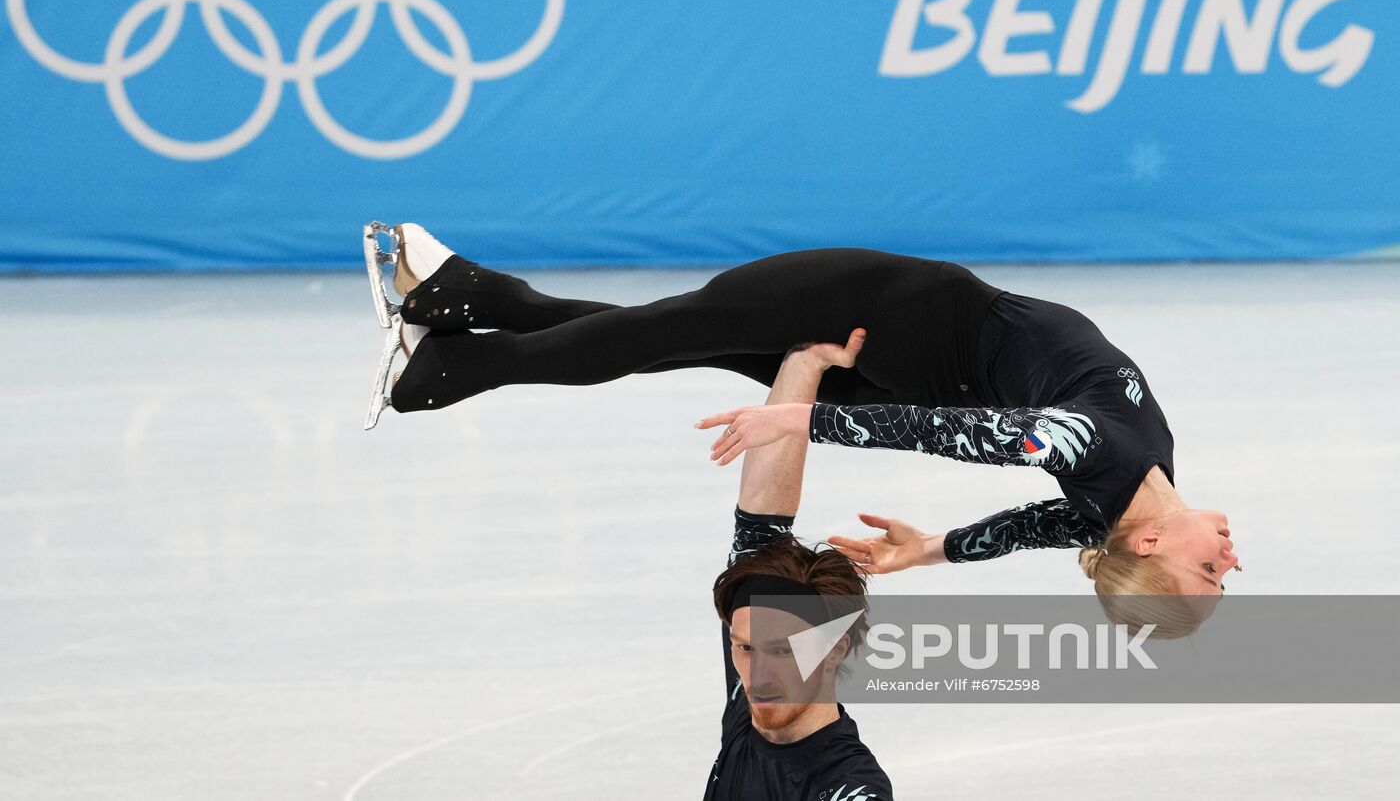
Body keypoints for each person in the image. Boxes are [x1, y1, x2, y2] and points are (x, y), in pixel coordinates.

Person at [362, 223, 1240, 634]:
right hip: (897, 358)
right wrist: (926, 551)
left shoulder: (1105, 455)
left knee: (665, 329)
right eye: (1222, 574)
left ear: (1154, 540)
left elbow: (953, 432)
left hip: (891, 315)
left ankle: (439, 372)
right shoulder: (1115, 504)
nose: (1230, 557)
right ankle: (461, 305)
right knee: (669, 336)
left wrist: (802, 416)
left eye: (1206, 569)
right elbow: (1022, 533)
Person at [707, 330, 891, 800]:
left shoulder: (849, 788)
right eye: (744, 649)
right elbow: (760, 520)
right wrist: (807, 363)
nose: (757, 677)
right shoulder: (751, 709)